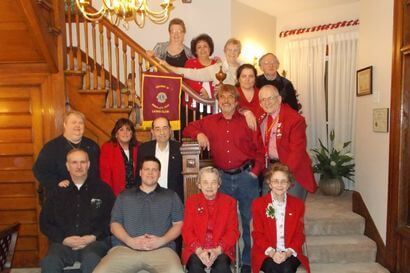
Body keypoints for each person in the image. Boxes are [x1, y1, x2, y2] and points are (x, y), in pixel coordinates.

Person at [183, 84, 265, 273]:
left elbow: (260, 150)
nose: (226, 100)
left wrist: (255, 172)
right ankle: (225, 259)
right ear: (218, 101)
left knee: (249, 222)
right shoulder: (210, 121)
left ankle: (248, 263)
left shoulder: (247, 120)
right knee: (223, 223)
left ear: (237, 101)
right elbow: (188, 128)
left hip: (246, 177)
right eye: (222, 97)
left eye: (230, 97)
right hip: (222, 179)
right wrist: (199, 133)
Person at [92, 156, 185, 273]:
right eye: (147, 169)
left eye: (154, 170)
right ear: (140, 172)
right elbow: (114, 224)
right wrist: (130, 241)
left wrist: (161, 240)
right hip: (125, 249)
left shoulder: (171, 196)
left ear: (159, 173)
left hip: (162, 250)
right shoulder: (124, 196)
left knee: (176, 271)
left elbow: (179, 224)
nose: (150, 173)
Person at [40, 149, 115, 273]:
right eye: (74, 162)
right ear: (67, 166)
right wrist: (63, 239)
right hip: (63, 243)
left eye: (82, 162)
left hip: (94, 243)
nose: (79, 166)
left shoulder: (103, 189)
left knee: (92, 260)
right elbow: (45, 223)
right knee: (49, 262)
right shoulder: (57, 192)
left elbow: (112, 218)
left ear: (88, 164)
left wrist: (93, 236)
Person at [258, 85, 317, 200]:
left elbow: (297, 151)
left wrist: (283, 175)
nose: (267, 102)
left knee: (291, 210)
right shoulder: (262, 118)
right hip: (270, 168)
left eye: (270, 98)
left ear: (279, 99)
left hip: (292, 169)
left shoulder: (294, 119)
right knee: (268, 208)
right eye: (263, 100)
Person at [251, 163, 310, 273]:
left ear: (288, 184)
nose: (279, 185)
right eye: (275, 181)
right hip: (266, 252)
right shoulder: (258, 204)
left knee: (286, 268)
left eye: (283, 181)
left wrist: (287, 253)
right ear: (269, 183)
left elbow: (299, 235)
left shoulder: (298, 205)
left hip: (290, 251)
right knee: (274, 268)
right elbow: (257, 234)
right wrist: (273, 253)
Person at [182, 166, 240, 273]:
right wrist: (199, 251)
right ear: (199, 185)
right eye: (205, 182)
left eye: (213, 182)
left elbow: (233, 231)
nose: (209, 186)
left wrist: (218, 250)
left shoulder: (229, 202)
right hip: (196, 249)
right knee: (195, 267)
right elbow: (187, 230)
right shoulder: (192, 202)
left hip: (221, 249)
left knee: (221, 268)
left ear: (218, 184)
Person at [33, 110, 100, 193]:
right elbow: (39, 171)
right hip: (61, 194)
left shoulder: (92, 145)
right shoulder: (51, 147)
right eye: (73, 122)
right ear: (65, 125)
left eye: (80, 123)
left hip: (87, 193)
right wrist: (56, 182)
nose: (77, 125)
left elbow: (97, 171)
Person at [136, 116, 183, 201]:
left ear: (170, 130)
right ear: (152, 131)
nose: (162, 132)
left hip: (173, 198)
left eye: (165, 128)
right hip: (149, 198)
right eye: (157, 129)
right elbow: (138, 176)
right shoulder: (144, 149)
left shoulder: (180, 149)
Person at [168, 38, 242, 86]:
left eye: (235, 50)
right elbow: (192, 73)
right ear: (225, 51)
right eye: (229, 50)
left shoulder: (244, 70)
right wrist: (168, 66)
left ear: (239, 53)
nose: (232, 53)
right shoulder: (217, 68)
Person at [100, 118, 138, 196]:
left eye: (128, 129)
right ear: (116, 134)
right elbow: (105, 176)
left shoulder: (138, 148)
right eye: (121, 130)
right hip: (116, 195)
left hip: (136, 195)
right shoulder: (107, 148)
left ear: (132, 133)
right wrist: (109, 195)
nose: (125, 132)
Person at [236, 63, 265, 131]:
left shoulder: (262, 93)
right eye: (244, 76)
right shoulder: (232, 93)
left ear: (255, 79)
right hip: (238, 132)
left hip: (260, 133)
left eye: (251, 76)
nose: (247, 79)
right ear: (238, 79)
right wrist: (245, 111)